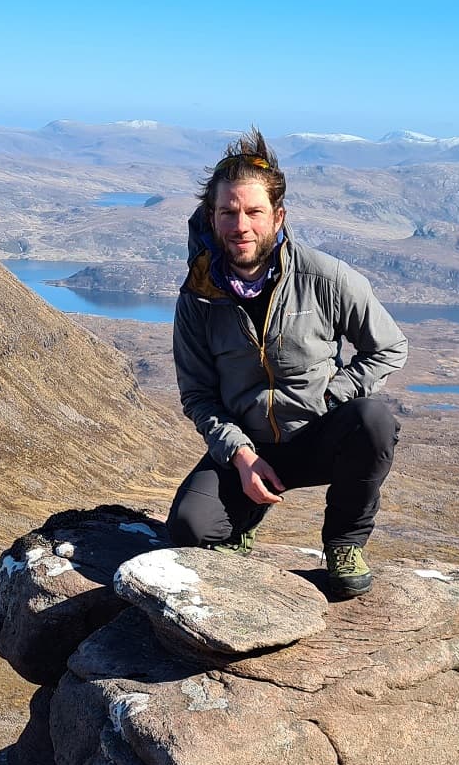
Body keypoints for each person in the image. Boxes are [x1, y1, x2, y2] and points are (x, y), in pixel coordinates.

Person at [165, 129, 408, 599]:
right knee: (189, 531)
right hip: (251, 446)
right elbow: (198, 395)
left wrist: (333, 395)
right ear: (212, 219)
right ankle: (241, 524)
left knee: (374, 421)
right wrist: (240, 455)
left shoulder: (325, 277)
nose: (241, 226)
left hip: (320, 435)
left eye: (254, 212)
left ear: (278, 217)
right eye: (228, 212)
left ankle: (344, 544)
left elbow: (389, 347)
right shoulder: (198, 297)